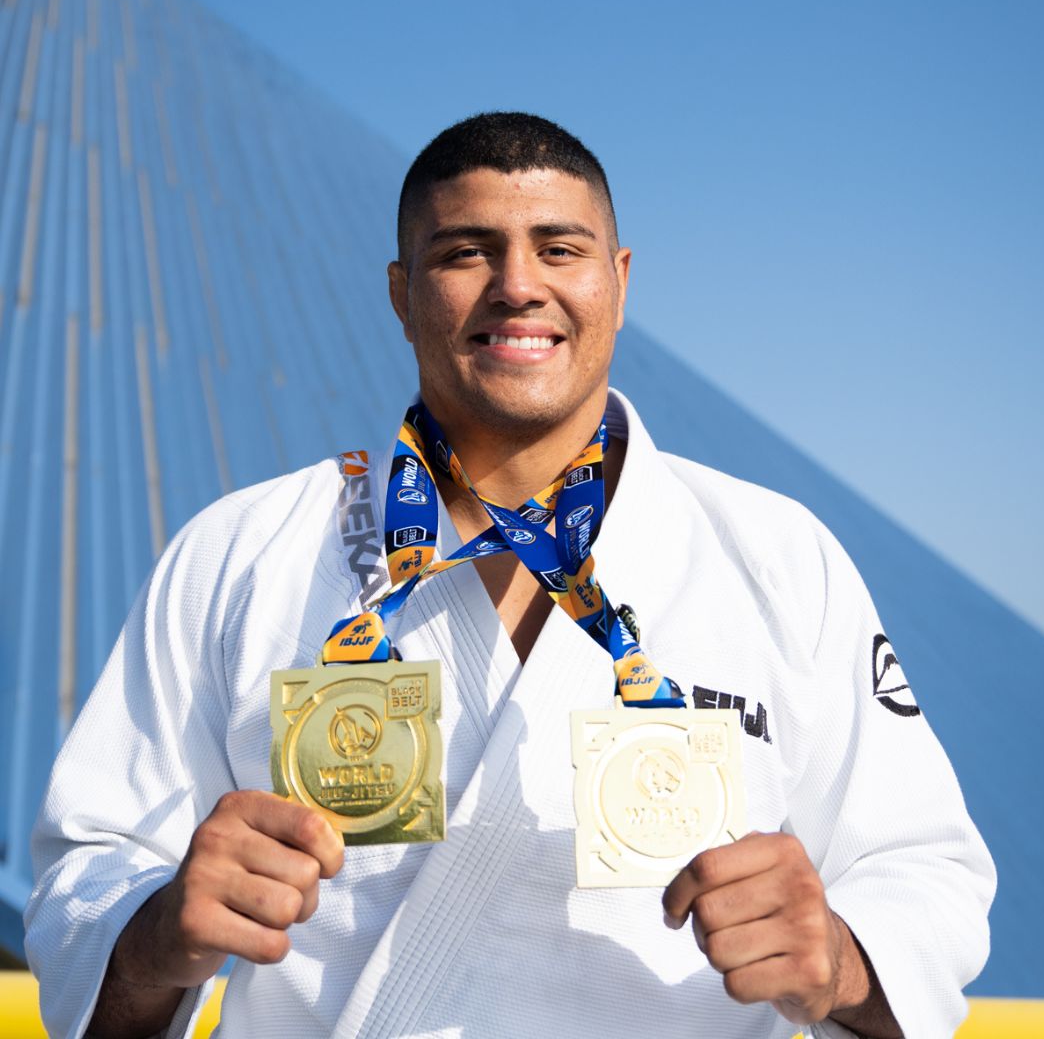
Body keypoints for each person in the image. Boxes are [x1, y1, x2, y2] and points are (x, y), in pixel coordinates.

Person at [25, 112, 994, 1039]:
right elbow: (92, 862)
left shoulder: (779, 559)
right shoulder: (242, 553)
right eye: (465, 252)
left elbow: (923, 869)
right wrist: (155, 933)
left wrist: (838, 958)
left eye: (560, 249)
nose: (517, 285)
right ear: (402, 293)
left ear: (618, 282)